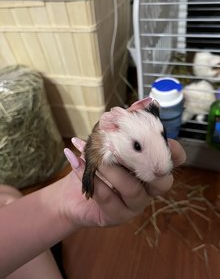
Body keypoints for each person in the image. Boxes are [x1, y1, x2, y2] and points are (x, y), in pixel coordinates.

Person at [0, 103, 186, 278]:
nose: (161, 168)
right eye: (137, 146)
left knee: (9, 194)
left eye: (162, 136)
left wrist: (64, 206)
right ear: (113, 128)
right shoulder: (106, 141)